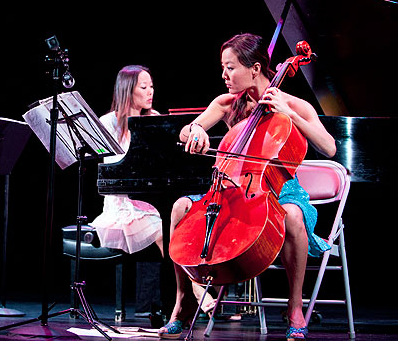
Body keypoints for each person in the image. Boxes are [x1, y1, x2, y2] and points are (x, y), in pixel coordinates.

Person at [158, 33, 336, 340]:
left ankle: (296, 308)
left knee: (291, 215)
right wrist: (195, 132)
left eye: (230, 67)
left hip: (282, 192)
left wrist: (289, 113)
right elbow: (189, 130)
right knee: (180, 207)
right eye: (223, 67)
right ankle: (183, 301)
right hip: (230, 190)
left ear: (255, 69)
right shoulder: (227, 104)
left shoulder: (294, 105)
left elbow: (329, 147)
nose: (224, 75)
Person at [89, 65, 164, 316]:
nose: (150, 91)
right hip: (120, 205)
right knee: (161, 230)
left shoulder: (153, 118)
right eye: (144, 87)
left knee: (174, 223)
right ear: (127, 90)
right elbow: (109, 169)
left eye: (151, 86)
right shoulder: (108, 122)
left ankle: (158, 306)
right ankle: (198, 294)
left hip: (147, 200)